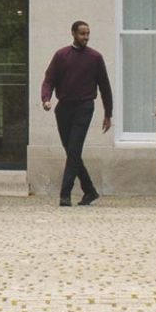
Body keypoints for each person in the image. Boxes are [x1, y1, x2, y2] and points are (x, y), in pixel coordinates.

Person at [38, 20, 114, 207]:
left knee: (74, 149)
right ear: (73, 33)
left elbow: (105, 86)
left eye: (88, 34)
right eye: (82, 33)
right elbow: (49, 79)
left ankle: (65, 194)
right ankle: (89, 190)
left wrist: (108, 113)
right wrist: (46, 98)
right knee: (71, 150)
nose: (86, 37)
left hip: (84, 107)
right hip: (64, 108)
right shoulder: (61, 55)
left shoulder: (95, 57)